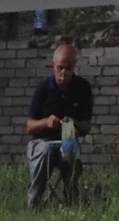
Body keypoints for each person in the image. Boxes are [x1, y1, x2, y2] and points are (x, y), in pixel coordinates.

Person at [24, 42, 92, 209]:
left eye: (68, 68)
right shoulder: (43, 89)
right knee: (45, 151)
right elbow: (29, 126)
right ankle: (34, 203)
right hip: (42, 142)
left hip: (67, 142)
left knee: (70, 154)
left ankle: (72, 202)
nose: (64, 73)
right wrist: (46, 122)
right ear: (53, 65)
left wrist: (72, 122)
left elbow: (86, 127)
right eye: (60, 68)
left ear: (74, 66)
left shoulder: (82, 88)